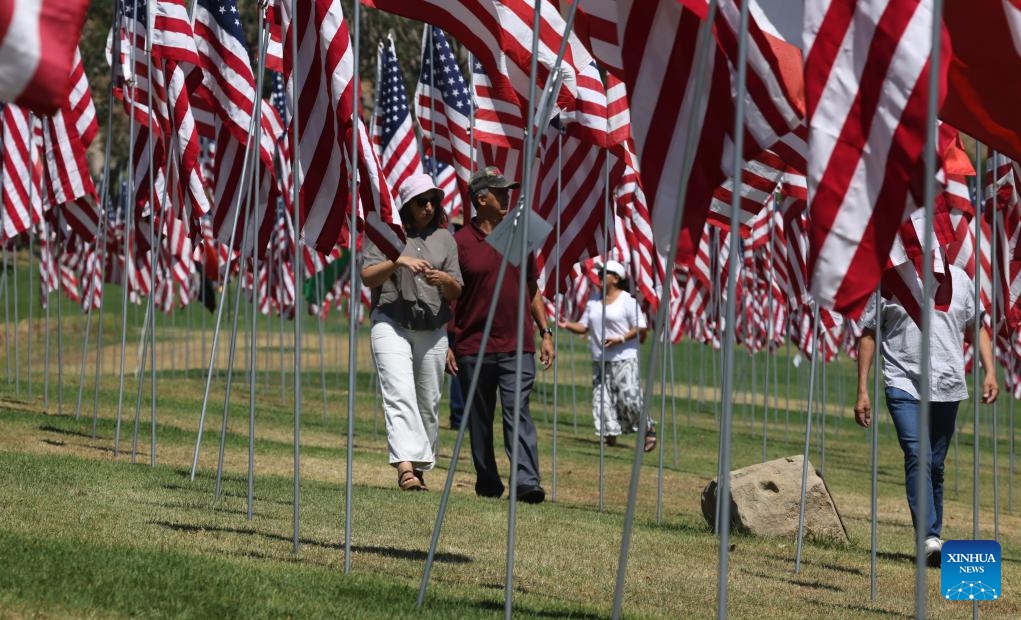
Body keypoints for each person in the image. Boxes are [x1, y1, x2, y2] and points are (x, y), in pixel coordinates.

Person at [854, 264, 998, 566]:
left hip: (947, 385)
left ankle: (932, 538)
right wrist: (862, 390)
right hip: (902, 380)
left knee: (935, 464)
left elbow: (978, 328)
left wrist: (990, 372)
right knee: (917, 454)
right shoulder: (891, 279)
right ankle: (929, 537)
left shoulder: (960, 280)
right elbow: (869, 333)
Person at [446, 166, 555, 504]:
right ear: (481, 198)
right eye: (500, 191)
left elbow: (532, 287)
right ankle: (489, 482)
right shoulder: (459, 242)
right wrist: (448, 343)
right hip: (472, 345)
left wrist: (545, 331)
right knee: (479, 418)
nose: (508, 196)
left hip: (516, 344)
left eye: (508, 190)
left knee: (517, 410)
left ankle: (526, 482)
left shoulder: (519, 233)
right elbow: (450, 296)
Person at [362, 173, 463, 491]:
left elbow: (456, 289)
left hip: (432, 328)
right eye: (422, 201)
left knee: (428, 402)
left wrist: (444, 281)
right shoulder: (385, 233)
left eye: (434, 200)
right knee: (399, 393)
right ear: (406, 204)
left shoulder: (446, 238)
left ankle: (419, 466)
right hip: (390, 323)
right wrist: (398, 262)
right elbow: (368, 277)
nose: (429, 207)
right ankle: (405, 469)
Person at [558, 260, 655, 451]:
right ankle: (610, 435)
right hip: (600, 358)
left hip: (624, 357)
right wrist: (567, 325)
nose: (600, 276)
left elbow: (640, 328)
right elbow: (584, 326)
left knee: (629, 399)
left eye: (604, 272)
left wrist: (620, 338)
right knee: (602, 400)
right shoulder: (594, 300)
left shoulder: (628, 300)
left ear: (616, 278)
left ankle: (648, 428)